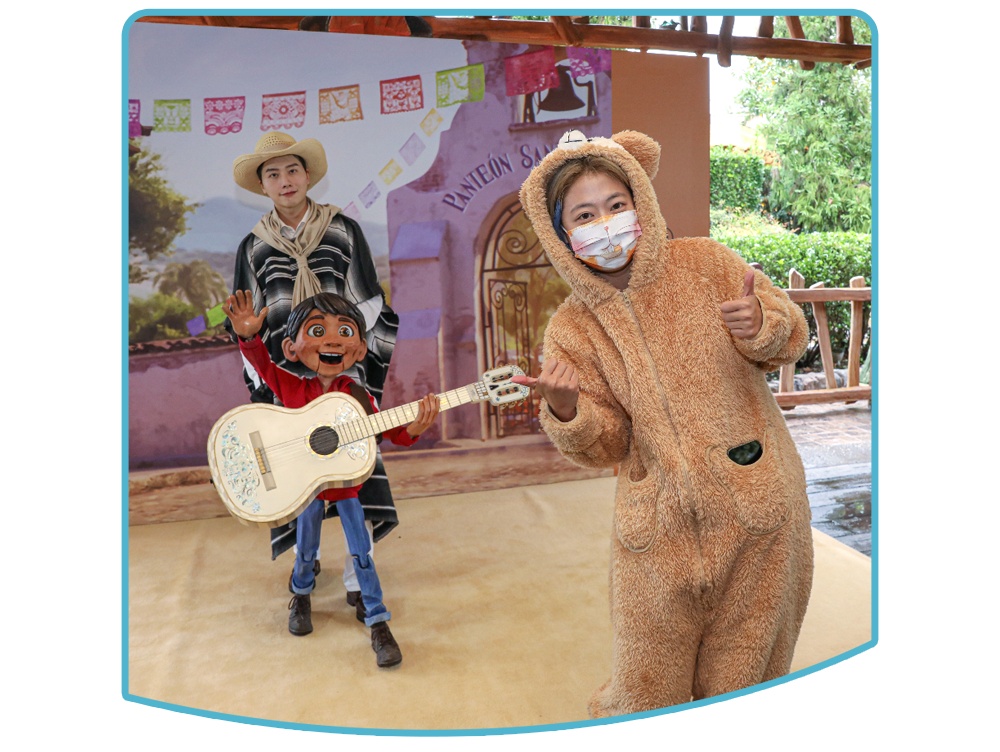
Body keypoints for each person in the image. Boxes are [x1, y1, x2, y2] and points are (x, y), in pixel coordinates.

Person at [513, 130, 814, 715]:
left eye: (616, 205)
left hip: (758, 509)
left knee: (744, 686)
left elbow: (788, 335)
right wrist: (568, 410)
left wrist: (761, 325)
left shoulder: (707, 264)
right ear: (562, 234)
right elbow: (607, 445)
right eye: (584, 215)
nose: (605, 223)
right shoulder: (571, 328)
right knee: (643, 691)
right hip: (656, 527)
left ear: (640, 204)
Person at [230, 133, 399, 620]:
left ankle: (357, 579)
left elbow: (369, 300)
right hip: (288, 378)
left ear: (307, 176)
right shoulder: (254, 247)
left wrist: (342, 352)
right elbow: (247, 318)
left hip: (340, 375)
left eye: (292, 171)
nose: (284, 181)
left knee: (356, 471)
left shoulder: (342, 231)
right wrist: (265, 376)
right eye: (273, 174)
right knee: (298, 474)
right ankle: (306, 566)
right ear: (262, 185)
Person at [224, 289, 440, 667]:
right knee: (306, 549)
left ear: (359, 349)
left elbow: (388, 430)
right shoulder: (293, 387)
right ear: (292, 348)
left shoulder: (357, 395)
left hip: (346, 490)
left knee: (362, 553)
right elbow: (264, 368)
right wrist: (248, 337)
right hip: (306, 489)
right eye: (317, 330)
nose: (332, 341)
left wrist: (415, 429)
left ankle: (377, 620)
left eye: (345, 331)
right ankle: (301, 595)